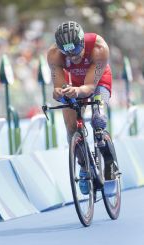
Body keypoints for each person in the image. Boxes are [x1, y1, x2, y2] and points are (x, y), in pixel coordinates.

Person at [47, 21, 118, 194]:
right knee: (71, 128)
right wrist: (58, 92)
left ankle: (109, 166)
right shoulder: (54, 54)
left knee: (98, 119)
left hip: (98, 81)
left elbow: (90, 88)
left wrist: (76, 91)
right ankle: (84, 166)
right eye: (67, 52)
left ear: (82, 42)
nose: (72, 56)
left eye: (76, 50)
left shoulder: (99, 47)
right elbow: (59, 86)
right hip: (75, 84)